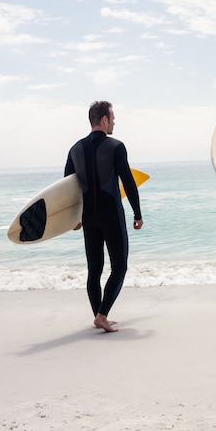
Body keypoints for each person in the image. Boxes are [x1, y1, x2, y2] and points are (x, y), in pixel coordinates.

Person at [65, 101, 143, 333]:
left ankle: (99, 314)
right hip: (111, 214)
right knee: (119, 267)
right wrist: (137, 213)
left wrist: (73, 217)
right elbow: (128, 182)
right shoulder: (116, 146)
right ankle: (102, 315)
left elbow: (68, 188)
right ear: (104, 119)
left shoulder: (75, 149)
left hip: (88, 217)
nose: (115, 122)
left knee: (94, 269)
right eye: (113, 117)